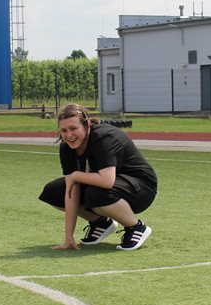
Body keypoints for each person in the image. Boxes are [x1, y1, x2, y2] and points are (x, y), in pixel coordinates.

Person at [39, 104, 158, 251]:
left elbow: (106, 181)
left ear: (87, 125)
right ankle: (101, 223)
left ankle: (136, 226)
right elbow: (72, 190)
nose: (69, 135)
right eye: (64, 130)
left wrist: (76, 175)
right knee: (53, 191)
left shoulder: (104, 137)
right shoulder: (67, 146)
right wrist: (69, 237)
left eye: (73, 128)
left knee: (96, 193)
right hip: (110, 185)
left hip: (141, 188)